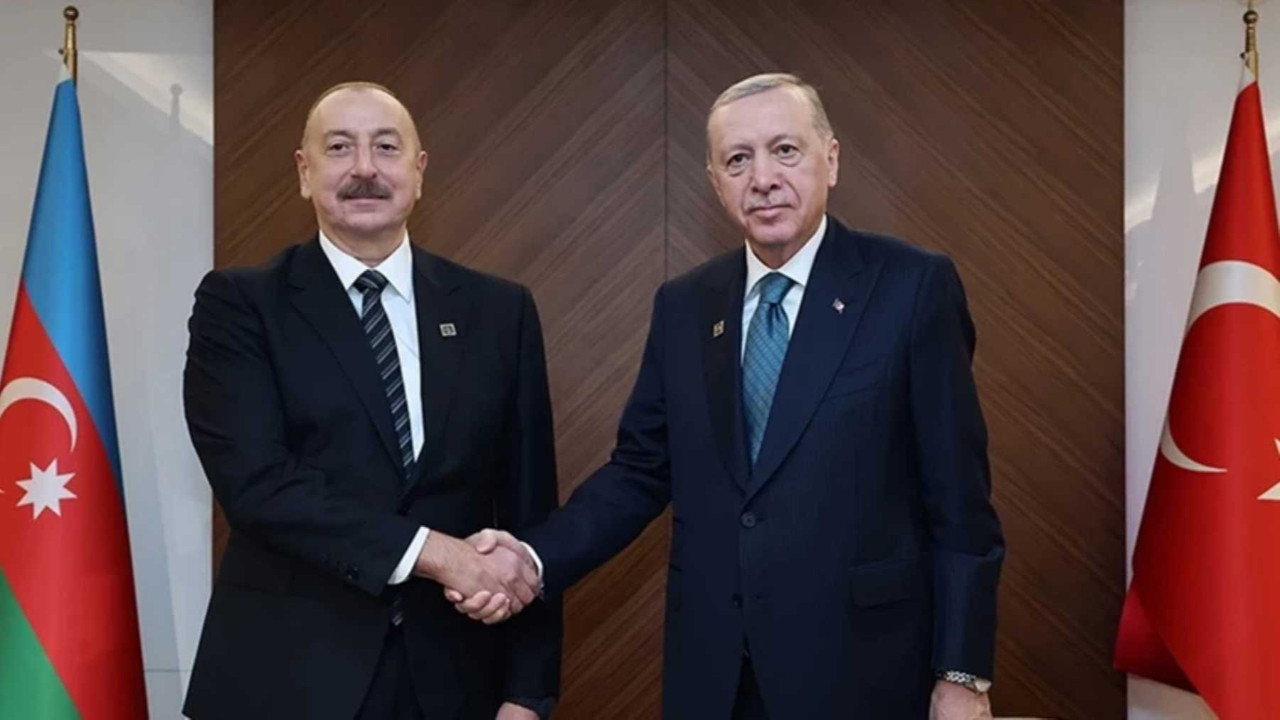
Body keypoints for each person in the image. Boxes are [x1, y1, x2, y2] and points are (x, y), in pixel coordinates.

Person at [454, 73, 1004, 719]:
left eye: (785, 151)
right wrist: (533, 556)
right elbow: (640, 470)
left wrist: (962, 674)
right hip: (715, 675)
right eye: (738, 160)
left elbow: (959, 499)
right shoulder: (686, 305)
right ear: (715, 182)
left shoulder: (911, 287)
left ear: (831, 159)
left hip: (863, 672)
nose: (762, 178)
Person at [182, 81, 560, 720]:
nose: (364, 168)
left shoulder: (500, 310)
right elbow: (258, 486)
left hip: (458, 682)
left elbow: (529, 507)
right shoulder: (240, 305)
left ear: (419, 170)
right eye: (339, 148)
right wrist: (438, 553)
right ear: (304, 173)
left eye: (386, 147)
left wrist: (528, 693)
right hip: (287, 680)